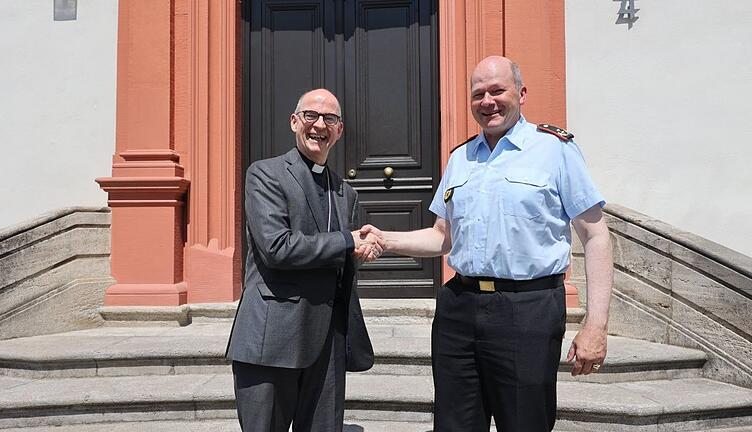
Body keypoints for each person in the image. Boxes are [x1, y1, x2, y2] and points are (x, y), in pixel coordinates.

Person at [360, 56, 613, 431]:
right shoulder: (460, 158)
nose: (488, 101)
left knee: (525, 422)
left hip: (528, 310)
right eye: (479, 93)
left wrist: (596, 324)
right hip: (460, 309)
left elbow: (596, 235)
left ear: (521, 94)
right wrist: (386, 239)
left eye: (498, 90)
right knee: (454, 424)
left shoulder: (555, 150)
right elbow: (443, 236)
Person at [226, 89, 384, 432]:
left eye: (330, 118)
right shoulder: (265, 174)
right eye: (311, 115)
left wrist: (359, 254)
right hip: (272, 338)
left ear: (339, 131)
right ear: (294, 122)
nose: (319, 125)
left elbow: (337, 259)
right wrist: (347, 241)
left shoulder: (347, 192)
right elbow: (276, 248)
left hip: (326, 343)